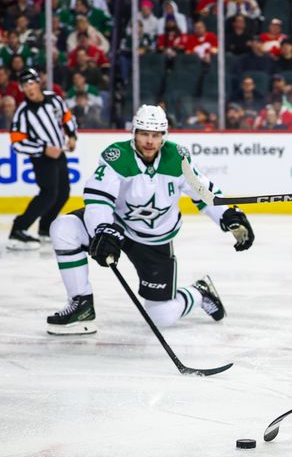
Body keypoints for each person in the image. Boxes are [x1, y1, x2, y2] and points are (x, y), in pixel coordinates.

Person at [45, 105, 255, 335]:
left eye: (155, 135)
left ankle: (199, 293)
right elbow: (99, 197)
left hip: (154, 240)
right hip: (118, 227)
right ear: (134, 132)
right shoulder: (117, 155)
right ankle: (81, 306)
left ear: (163, 137)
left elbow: (204, 193)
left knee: (161, 315)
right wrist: (102, 229)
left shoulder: (177, 158)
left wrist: (228, 214)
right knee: (64, 228)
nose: (149, 141)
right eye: (144, 133)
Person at [7, 68, 77, 250]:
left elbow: (67, 118)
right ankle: (18, 228)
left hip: (59, 153)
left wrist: (72, 136)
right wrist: (43, 149)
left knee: (63, 193)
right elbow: (17, 142)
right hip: (42, 159)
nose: (29, 88)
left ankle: (45, 229)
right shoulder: (23, 113)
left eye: (31, 83)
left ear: (38, 83)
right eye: (24, 85)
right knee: (48, 194)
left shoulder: (54, 99)